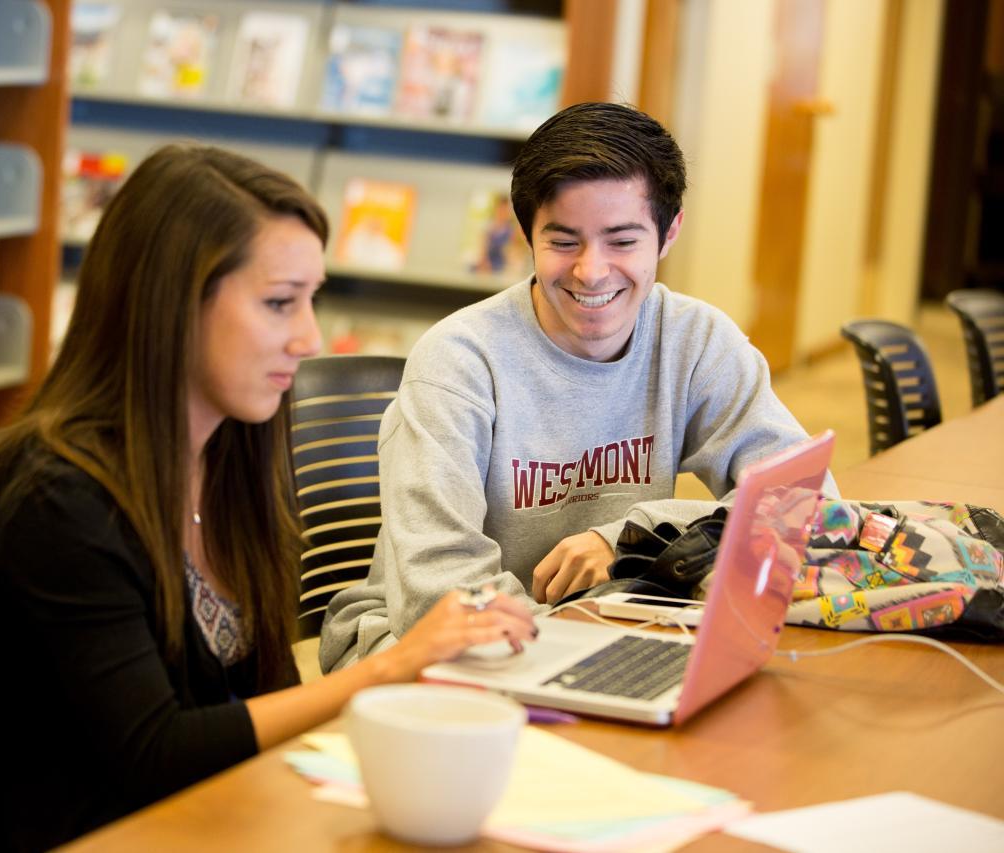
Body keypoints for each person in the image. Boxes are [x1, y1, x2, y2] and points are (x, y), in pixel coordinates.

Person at [0, 145, 535, 850]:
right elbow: (154, 755)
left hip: (225, 815)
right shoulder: (57, 500)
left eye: (311, 298)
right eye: (278, 302)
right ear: (170, 304)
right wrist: (393, 664)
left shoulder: (234, 452)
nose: (310, 336)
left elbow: (264, 692)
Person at [319, 102, 837, 673]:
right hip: (417, 639)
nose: (592, 272)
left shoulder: (695, 341)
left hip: (597, 624)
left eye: (622, 241)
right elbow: (440, 594)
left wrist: (631, 539)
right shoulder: (459, 363)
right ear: (528, 235)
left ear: (668, 235)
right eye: (563, 242)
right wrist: (585, 651)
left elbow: (806, 503)